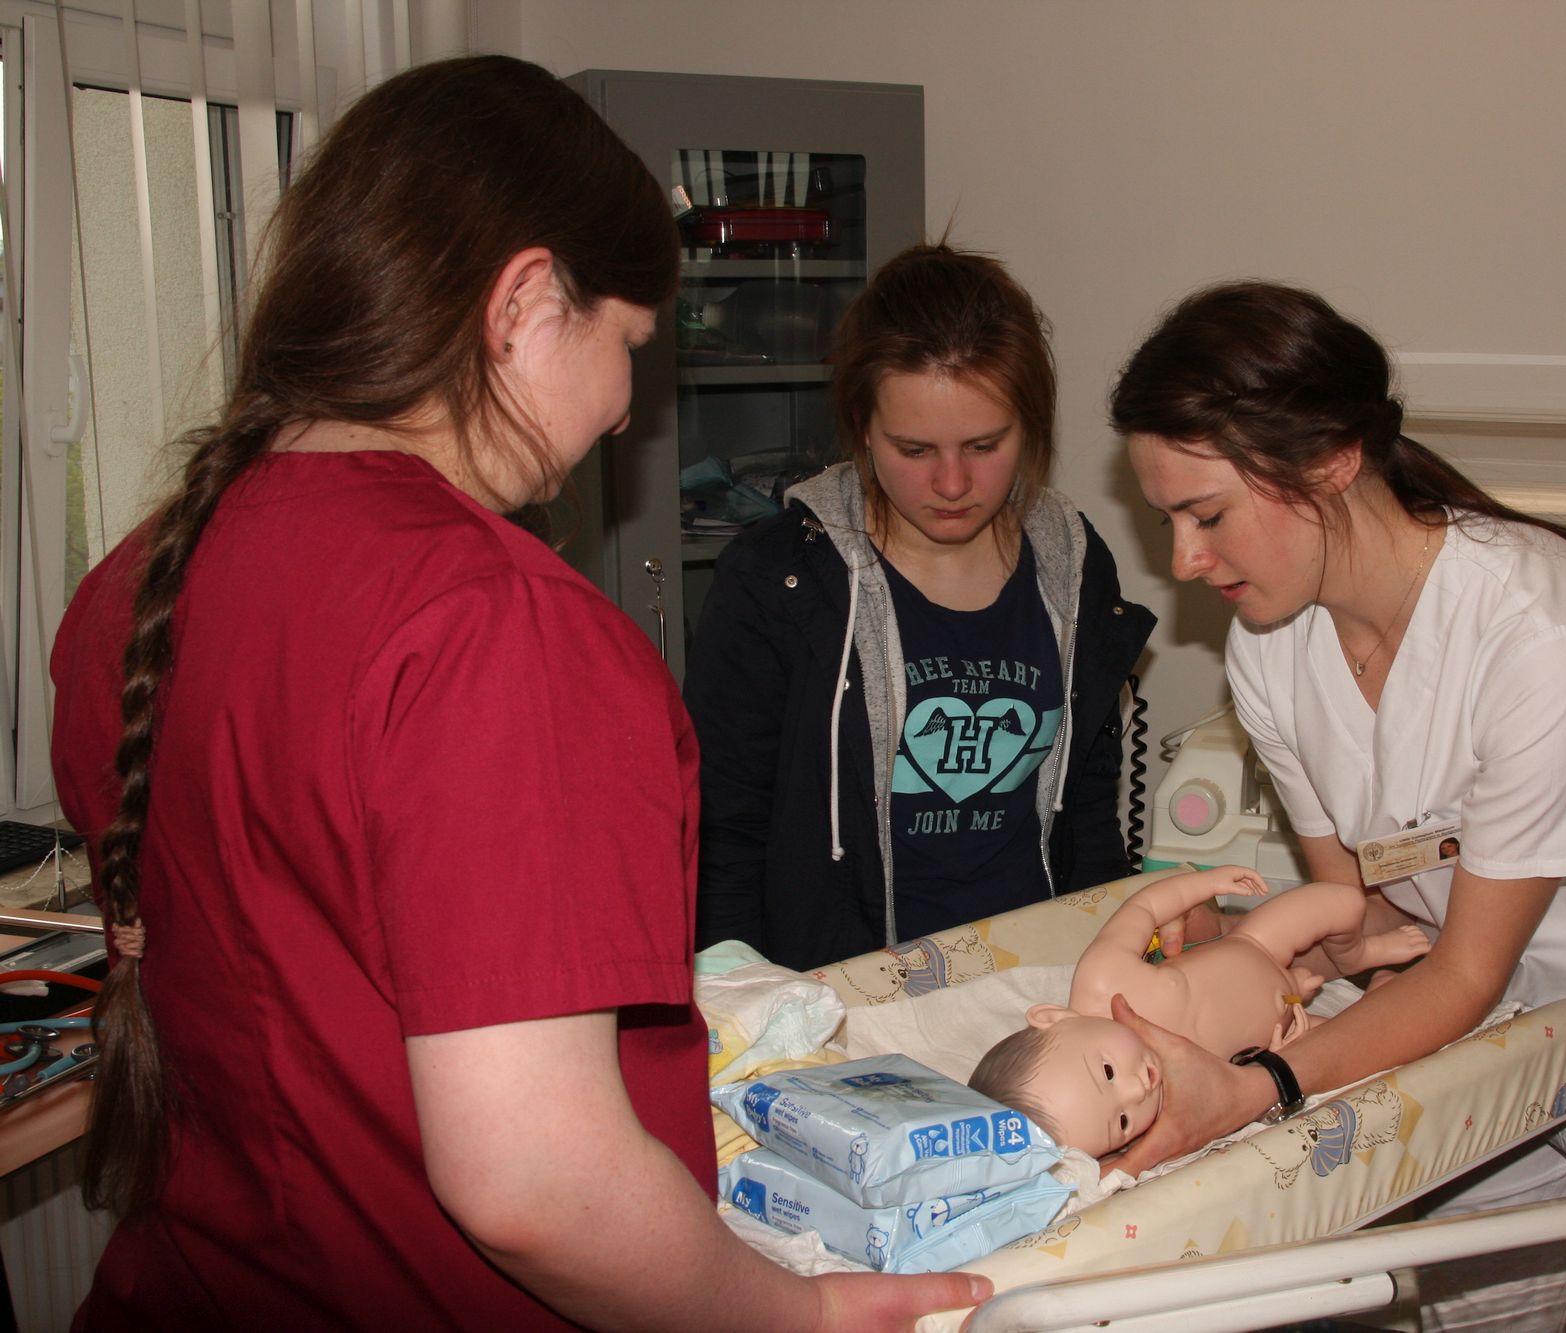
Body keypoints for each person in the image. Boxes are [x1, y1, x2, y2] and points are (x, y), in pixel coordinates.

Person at [49, 56, 985, 1330]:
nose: (624, 414)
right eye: (630, 348)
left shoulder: (137, 579)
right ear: (527, 301)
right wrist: (795, 1316)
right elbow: (538, 1183)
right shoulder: (499, 626)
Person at [1107, 281, 1566, 1323]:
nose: (1185, 562)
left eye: (1207, 516)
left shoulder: (1544, 635)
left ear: (1331, 460)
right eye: (1167, 520)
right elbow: (1367, 912)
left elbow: (1467, 967)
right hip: (1466, 1039)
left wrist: (1261, 1087)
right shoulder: (1272, 647)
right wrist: (1248, 962)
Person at [686, 243, 1156, 970]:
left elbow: (1086, 806)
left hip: (1037, 976)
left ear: (1030, 424)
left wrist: (1118, 948)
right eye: (913, 449)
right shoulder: (778, 580)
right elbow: (725, 831)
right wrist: (738, 991)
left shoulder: (1073, 561)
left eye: (985, 444)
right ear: (861, 427)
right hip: (844, 993)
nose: (952, 483)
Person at [968, 866, 1430, 1157]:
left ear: (1054, 1018)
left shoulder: (1103, 980)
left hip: (1258, 945)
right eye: (1123, 1122)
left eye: (1107, 1072)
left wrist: (1205, 884)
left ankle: (1357, 955)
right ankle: (1379, 990)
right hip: (1286, 1025)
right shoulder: (1178, 1099)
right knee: (1374, 1052)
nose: (1136, 1089)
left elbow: (1145, 907)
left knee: (1343, 901)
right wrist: (1285, 1052)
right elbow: (1243, 1081)